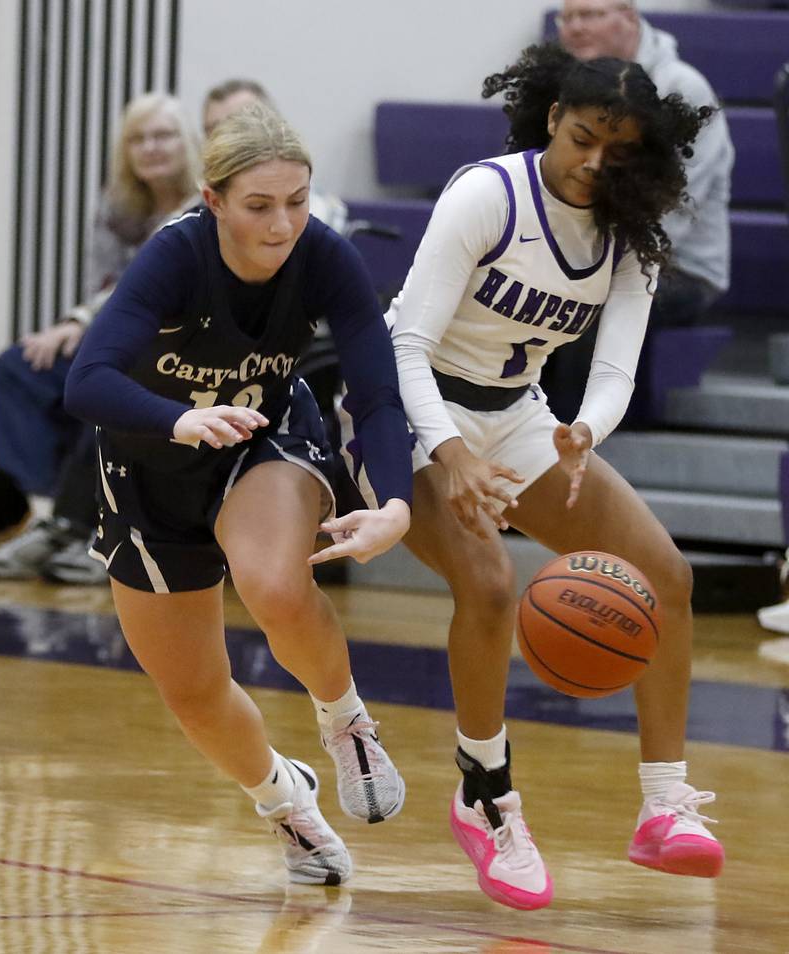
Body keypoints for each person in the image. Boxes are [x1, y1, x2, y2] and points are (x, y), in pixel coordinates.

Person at [341, 43, 724, 909]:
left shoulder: (633, 228)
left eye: (618, 149)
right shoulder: (489, 193)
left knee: (665, 575)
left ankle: (665, 807)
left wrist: (586, 429)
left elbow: (617, 367)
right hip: (401, 406)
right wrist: (449, 453)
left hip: (515, 410)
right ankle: (485, 798)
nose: (596, 162)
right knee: (488, 585)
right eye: (584, 137)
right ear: (553, 118)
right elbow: (403, 343)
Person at [63, 102, 412, 885]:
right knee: (192, 692)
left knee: (272, 581)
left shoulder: (324, 255)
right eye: (260, 205)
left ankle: (346, 722)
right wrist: (179, 422)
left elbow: (378, 394)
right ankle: (287, 802)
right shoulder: (174, 258)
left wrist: (393, 500)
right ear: (213, 201)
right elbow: (87, 382)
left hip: (263, 437)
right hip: (150, 463)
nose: (283, 223)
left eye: (297, 200)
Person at [0, 92, 202, 582]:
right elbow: (102, 284)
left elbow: (147, 288)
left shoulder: (202, 207)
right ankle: (47, 515)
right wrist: (78, 324)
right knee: (19, 369)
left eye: (163, 135)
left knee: (108, 383)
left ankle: (87, 526)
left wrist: (80, 323)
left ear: (189, 142)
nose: (150, 147)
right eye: (138, 139)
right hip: (113, 335)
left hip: (173, 349)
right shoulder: (118, 205)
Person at [540, 0, 734, 425]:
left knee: (583, 307)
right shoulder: (566, 90)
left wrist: (585, 265)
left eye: (589, 15)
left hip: (678, 266)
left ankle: (571, 454)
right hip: (587, 253)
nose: (575, 28)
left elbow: (676, 208)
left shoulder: (681, 88)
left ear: (629, 17)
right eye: (567, 18)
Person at [202, 79, 348, 234]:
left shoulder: (319, 210)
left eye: (240, 126)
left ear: (272, 126)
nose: (226, 138)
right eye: (214, 130)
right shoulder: (194, 213)